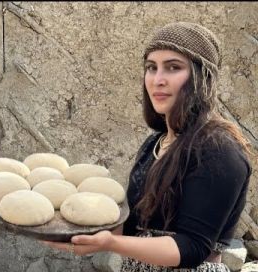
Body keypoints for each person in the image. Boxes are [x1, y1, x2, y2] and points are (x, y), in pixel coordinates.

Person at [44, 22, 252, 271]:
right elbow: (134, 229)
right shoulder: (155, 144)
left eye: (173, 67)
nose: (158, 79)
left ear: (202, 77)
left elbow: (191, 247)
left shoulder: (219, 150)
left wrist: (111, 243)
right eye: (151, 68)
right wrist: (75, 229)